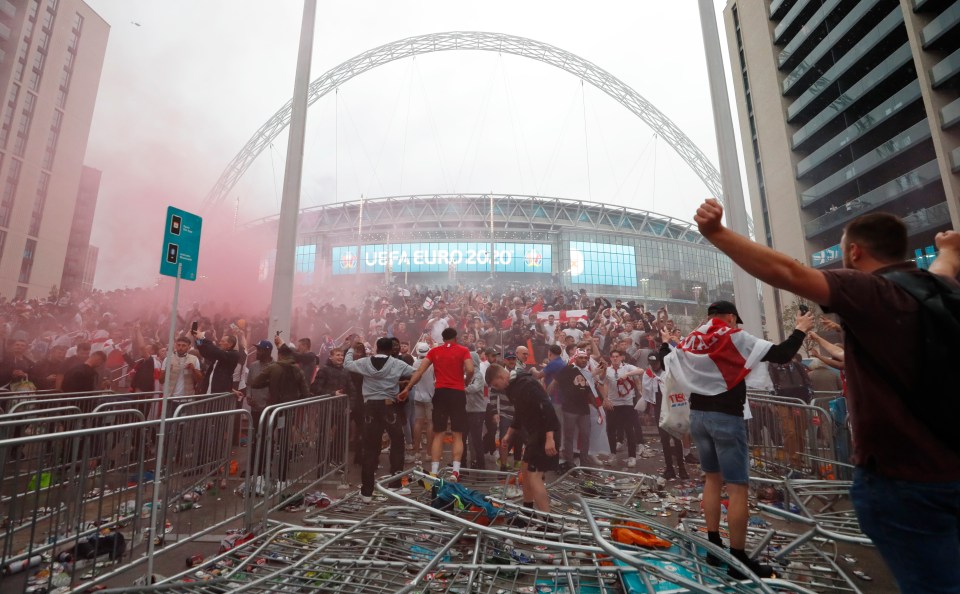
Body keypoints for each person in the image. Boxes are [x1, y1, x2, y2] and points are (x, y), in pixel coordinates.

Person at [693, 197, 960, 591]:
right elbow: (942, 269)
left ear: (854, 251)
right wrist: (949, 251)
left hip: (903, 477)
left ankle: (718, 544)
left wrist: (716, 232)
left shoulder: (869, 292)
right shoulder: (940, 288)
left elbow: (786, 270)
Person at [661, 300, 813, 579]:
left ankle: (714, 547)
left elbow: (665, 358)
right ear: (730, 317)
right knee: (737, 488)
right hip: (727, 419)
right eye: (735, 320)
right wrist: (800, 329)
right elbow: (782, 354)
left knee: (711, 479)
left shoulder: (690, 340)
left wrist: (665, 342)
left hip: (699, 418)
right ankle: (738, 559)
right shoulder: (733, 336)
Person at [345, 337, 415, 502]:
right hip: (389, 406)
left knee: (370, 448)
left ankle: (366, 492)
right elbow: (414, 372)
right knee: (397, 444)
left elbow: (347, 364)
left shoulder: (365, 362)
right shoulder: (397, 364)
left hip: (370, 407)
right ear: (391, 349)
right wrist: (402, 383)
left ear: (376, 348)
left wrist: (350, 348)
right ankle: (395, 485)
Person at [400, 328, 474, 482]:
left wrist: (407, 388)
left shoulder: (434, 351)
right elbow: (470, 369)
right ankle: (455, 472)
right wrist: (465, 382)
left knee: (438, 432)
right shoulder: (463, 350)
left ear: (443, 338)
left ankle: (434, 472)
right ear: (456, 337)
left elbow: (419, 371)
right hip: (457, 393)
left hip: (440, 393)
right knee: (457, 433)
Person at [486, 363, 560, 512]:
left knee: (534, 476)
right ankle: (527, 512)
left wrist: (550, 437)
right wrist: (508, 435)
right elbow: (519, 414)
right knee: (525, 470)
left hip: (545, 432)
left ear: (501, 376)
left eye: (496, 384)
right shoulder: (512, 388)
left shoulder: (525, 383)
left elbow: (547, 406)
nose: (497, 388)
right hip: (534, 434)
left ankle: (548, 524)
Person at [248, 343, 311, 493]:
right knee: (283, 444)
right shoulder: (297, 370)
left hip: (272, 409)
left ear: (280, 355)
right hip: (288, 411)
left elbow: (255, 383)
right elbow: (305, 392)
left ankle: (259, 476)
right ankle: (282, 479)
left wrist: (270, 383)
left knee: (263, 439)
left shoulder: (273, 367)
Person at [555, 348, 606, 471]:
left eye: (585, 358)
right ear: (575, 358)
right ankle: (570, 462)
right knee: (569, 436)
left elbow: (590, 391)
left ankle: (584, 461)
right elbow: (555, 383)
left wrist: (599, 406)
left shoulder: (586, 372)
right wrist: (546, 398)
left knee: (585, 435)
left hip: (584, 409)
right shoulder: (568, 369)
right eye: (581, 358)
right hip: (569, 408)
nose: (583, 360)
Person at [641, 352, 686, 480]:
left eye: (656, 363)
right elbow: (647, 394)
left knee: (677, 438)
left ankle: (682, 468)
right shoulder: (648, 374)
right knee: (664, 439)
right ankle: (669, 468)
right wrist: (647, 412)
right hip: (659, 409)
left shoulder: (669, 372)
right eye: (651, 363)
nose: (654, 366)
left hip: (673, 408)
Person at [604, 349, 645, 467]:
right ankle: (612, 454)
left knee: (629, 429)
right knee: (611, 430)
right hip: (613, 404)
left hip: (627, 404)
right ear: (610, 358)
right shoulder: (608, 370)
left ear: (621, 357)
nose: (615, 359)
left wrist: (627, 375)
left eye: (617, 356)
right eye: (613, 357)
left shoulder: (627, 367)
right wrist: (606, 399)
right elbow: (605, 384)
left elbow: (641, 371)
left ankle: (632, 456)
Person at [244, 340, 274, 495]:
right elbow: (249, 384)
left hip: (268, 409)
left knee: (268, 439)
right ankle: (252, 469)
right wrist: (248, 396)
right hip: (255, 409)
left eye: (260, 350)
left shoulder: (274, 367)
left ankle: (265, 469)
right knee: (255, 439)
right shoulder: (254, 366)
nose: (257, 352)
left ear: (268, 351)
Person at [410, 343, 435, 463]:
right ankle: (429, 453)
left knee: (418, 423)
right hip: (430, 396)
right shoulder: (431, 364)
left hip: (417, 395)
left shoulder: (415, 363)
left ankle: (416, 453)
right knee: (430, 423)